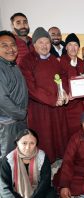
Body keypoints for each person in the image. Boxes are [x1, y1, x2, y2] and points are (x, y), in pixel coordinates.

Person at [19, 27, 69, 163]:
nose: (44, 45)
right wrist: (53, 100)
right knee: (44, 135)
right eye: (40, 42)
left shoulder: (54, 59)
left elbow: (63, 75)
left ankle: (59, 158)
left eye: (47, 42)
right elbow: (30, 87)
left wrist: (64, 91)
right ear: (34, 44)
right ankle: (45, 161)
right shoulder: (27, 61)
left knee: (58, 133)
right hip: (39, 107)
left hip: (57, 106)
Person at [0, 129, 56, 198]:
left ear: (36, 144)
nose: (27, 147)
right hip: (16, 193)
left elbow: (45, 182)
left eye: (32, 143)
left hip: (38, 193)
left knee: (51, 194)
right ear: (17, 143)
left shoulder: (42, 157)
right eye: (24, 143)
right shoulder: (8, 160)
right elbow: (4, 186)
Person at [0, 30, 28, 158]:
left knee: (18, 155)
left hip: (17, 119)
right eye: (4, 45)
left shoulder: (11, 64)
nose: (10, 49)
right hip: (7, 122)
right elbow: (2, 99)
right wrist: (21, 113)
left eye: (13, 44)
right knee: (7, 157)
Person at [61, 33, 84, 137]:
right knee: (66, 130)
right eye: (70, 45)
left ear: (78, 47)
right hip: (66, 102)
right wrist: (67, 92)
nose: (73, 48)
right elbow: (60, 80)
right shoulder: (60, 61)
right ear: (66, 47)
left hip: (79, 102)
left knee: (79, 130)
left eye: (75, 45)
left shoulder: (82, 62)